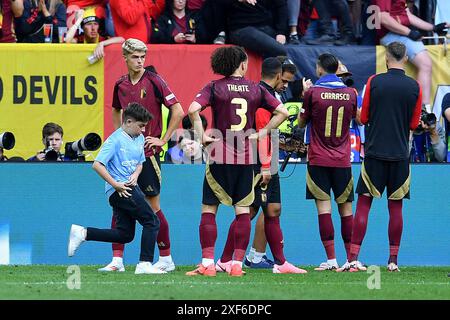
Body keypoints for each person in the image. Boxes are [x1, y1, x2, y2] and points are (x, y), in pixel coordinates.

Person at [186, 46, 288, 277]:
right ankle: (236, 266)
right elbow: (282, 112)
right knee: (242, 211)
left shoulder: (213, 87)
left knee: (209, 210)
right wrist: (262, 134)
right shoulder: (255, 88)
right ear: (242, 65)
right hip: (246, 157)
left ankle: (208, 264)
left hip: (219, 155)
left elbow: (193, 110)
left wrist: (202, 135)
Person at [99, 38, 184, 273]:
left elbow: (178, 110)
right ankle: (117, 260)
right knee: (120, 203)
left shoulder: (155, 81)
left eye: (142, 57)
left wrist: (163, 139)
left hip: (148, 154)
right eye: (135, 57)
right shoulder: (120, 84)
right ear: (125, 58)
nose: (139, 61)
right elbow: (116, 110)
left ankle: (165, 257)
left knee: (153, 206)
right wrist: (118, 139)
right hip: (125, 155)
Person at [216, 57, 307, 274]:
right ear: (277, 76)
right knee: (248, 212)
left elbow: (268, 132)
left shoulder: (269, 94)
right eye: (284, 81)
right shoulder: (261, 96)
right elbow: (261, 133)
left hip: (267, 161)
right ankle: (226, 259)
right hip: (259, 164)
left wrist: (284, 146)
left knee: (270, 209)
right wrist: (266, 165)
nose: (286, 85)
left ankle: (279, 262)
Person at [348, 42, 422, 272]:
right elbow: (413, 123)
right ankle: (392, 261)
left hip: (374, 153)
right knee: (396, 208)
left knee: (363, 205)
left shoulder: (373, 82)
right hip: (400, 155)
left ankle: (352, 259)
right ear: (406, 58)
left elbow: (364, 118)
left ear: (386, 58)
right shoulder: (415, 86)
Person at [68, 102, 166, 275]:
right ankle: (145, 264)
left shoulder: (140, 139)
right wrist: (115, 184)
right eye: (141, 126)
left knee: (124, 235)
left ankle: (83, 233)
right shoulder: (114, 140)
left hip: (129, 188)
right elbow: (97, 165)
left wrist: (136, 175)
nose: (143, 130)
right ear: (128, 122)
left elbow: (140, 164)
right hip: (120, 190)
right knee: (152, 221)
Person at [298, 53, 358, 271]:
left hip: (318, 159)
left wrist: (305, 95)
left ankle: (331, 260)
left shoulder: (312, 93)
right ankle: (351, 260)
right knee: (346, 211)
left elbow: (300, 122)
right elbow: (358, 119)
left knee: (324, 209)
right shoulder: (351, 93)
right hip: (343, 159)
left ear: (319, 69)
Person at [373, 0, 449, 112]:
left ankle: (422, 110)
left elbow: (406, 15)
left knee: (425, 64)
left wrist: (433, 27)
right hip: (390, 33)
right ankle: (423, 111)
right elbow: (383, 18)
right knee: (425, 63)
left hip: (399, 32)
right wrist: (409, 32)